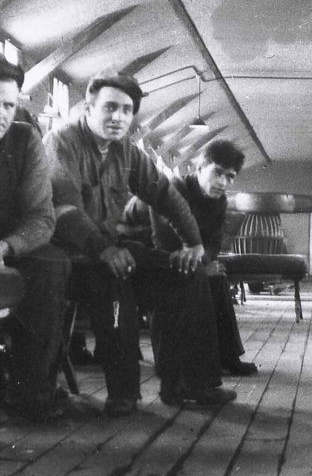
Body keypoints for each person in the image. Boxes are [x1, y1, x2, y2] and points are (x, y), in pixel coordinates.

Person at [44, 69, 236, 417]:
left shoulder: (126, 152)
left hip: (111, 248)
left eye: (127, 110)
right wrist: (104, 249)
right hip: (70, 256)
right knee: (117, 285)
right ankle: (124, 393)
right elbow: (65, 209)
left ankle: (189, 384)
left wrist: (193, 245)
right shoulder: (63, 142)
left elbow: (164, 195)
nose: (118, 117)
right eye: (110, 107)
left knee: (188, 273)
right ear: (89, 107)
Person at [125, 140, 258, 376]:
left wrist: (205, 262)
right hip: (134, 256)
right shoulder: (171, 189)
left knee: (216, 279)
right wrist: (200, 265)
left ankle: (227, 356)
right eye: (217, 172)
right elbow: (163, 243)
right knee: (184, 280)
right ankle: (174, 368)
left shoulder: (219, 202)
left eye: (230, 177)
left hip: (174, 256)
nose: (223, 182)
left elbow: (213, 244)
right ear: (199, 168)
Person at [0, 58, 71, 422]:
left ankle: (32, 392)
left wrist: (7, 246)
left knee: (52, 263)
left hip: (14, 246)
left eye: (8, 105)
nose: (1, 113)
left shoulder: (25, 139)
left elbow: (42, 216)